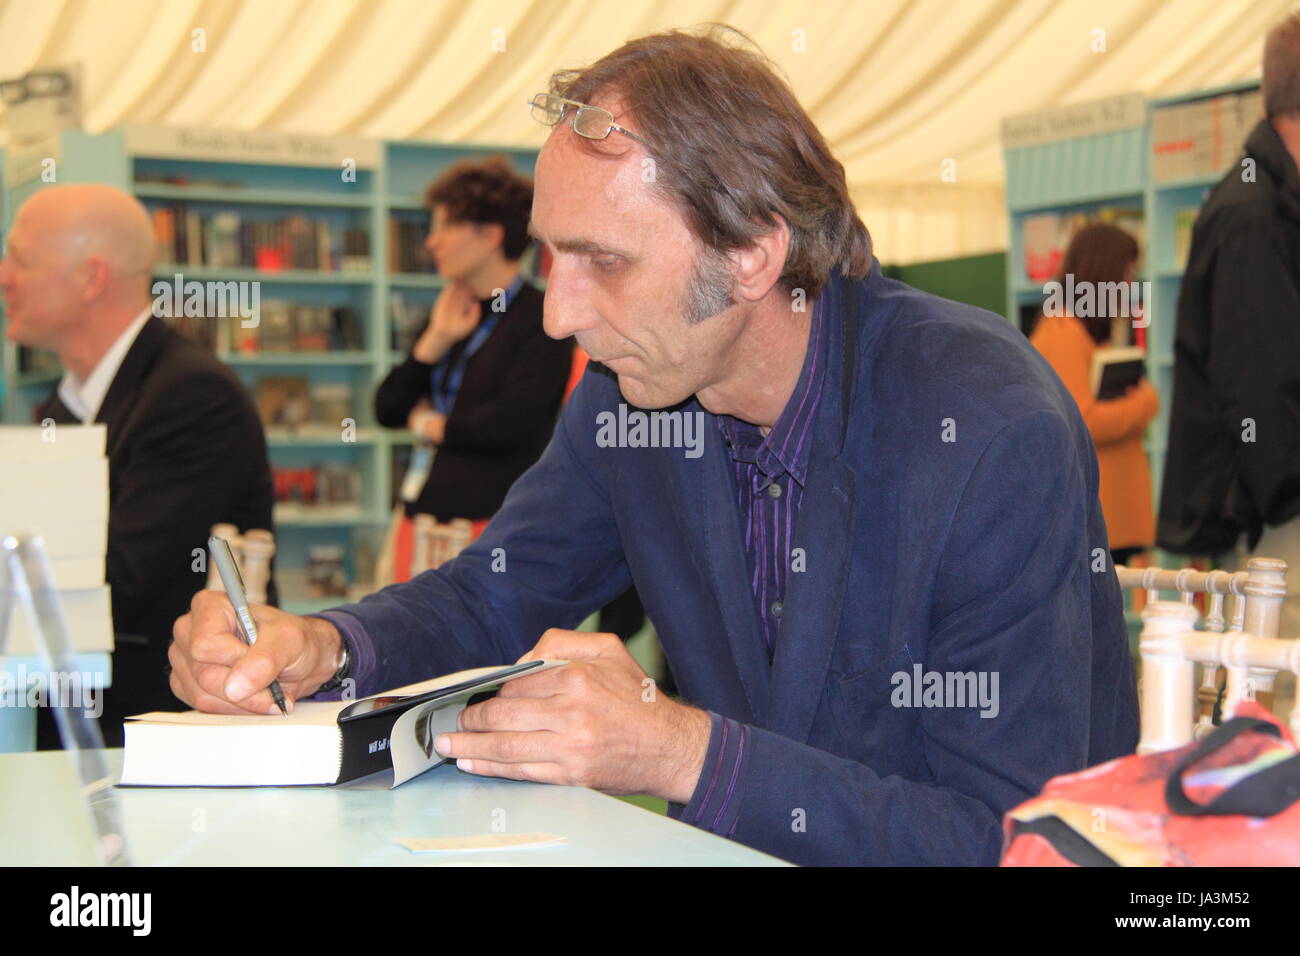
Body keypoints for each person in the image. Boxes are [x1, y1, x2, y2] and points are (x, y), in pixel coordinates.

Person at [171, 26, 1137, 866]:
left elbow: (1013, 840)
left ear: (753, 252)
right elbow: (493, 592)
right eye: (553, 253)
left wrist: (675, 752)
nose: (557, 313)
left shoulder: (982, 423)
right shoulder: (630, 397)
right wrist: (323, 646)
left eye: (606, 261)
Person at [0, 183, 275, 748]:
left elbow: (113, 581)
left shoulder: (192, 396)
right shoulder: (67, 402)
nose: (4, 276)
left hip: (147, 739)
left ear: (91, 278)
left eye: (19, 259)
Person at [1159, 11, 1300, 637]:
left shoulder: (1270, 204)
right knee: (1285, 713)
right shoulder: (1253, 216)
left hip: (1275, 513)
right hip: (1280, 522)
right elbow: (1261, 395)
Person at [374, 157, 573, 578]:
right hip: (420, 517)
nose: (431, 242)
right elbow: (387, 408)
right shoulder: (451, 309)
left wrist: (430, 424)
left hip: (493, 526)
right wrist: (435, 341)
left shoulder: (543, 317)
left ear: (489, 236)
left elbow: (510, 424)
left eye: (444, 226)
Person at [1030, 223, 1159, 568]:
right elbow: (1082, 421)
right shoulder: (1063, 331)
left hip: (1112, 512)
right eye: (1127, 272)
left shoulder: (1088, 331)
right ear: (1105, 272)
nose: (1130, 284)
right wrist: (1145, 402)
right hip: (1097, 512)